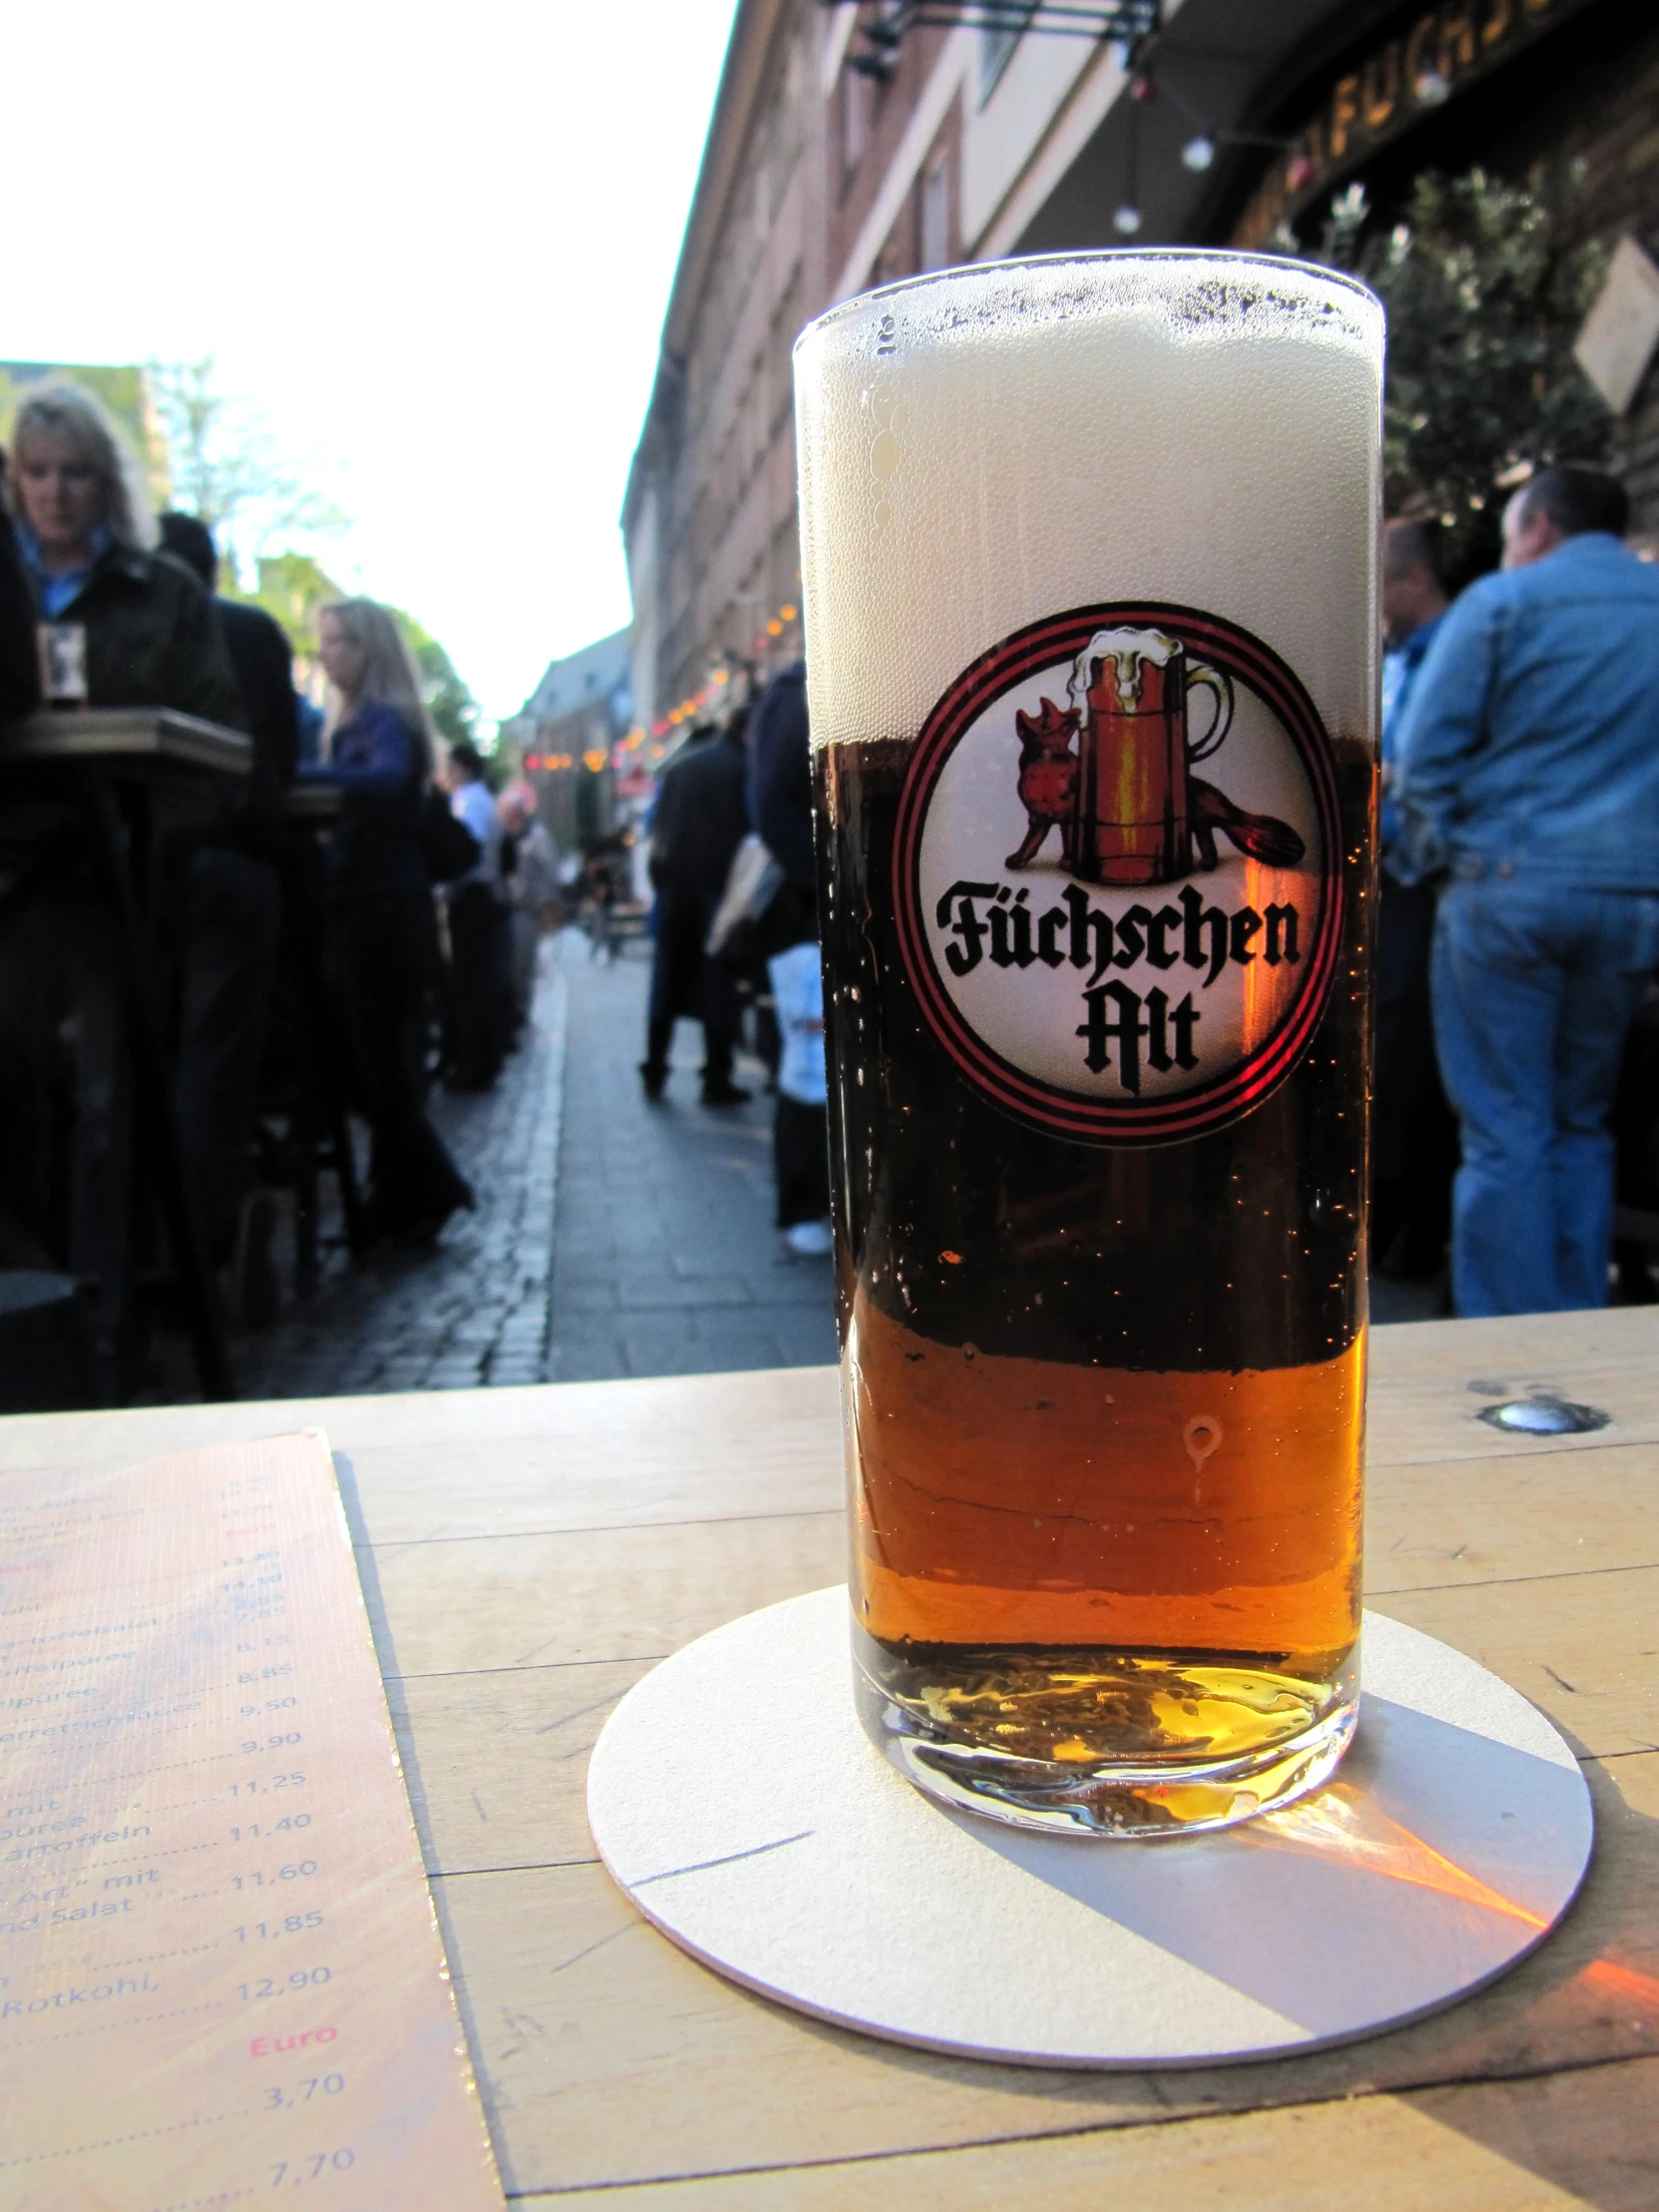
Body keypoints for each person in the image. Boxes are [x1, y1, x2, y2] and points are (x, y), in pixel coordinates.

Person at [1394, 464, 1659, 1317]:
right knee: (1582, 1123)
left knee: (1505, 1128)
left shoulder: (1502, 606)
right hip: (1628, 898)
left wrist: (1444, 862)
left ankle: (1509, 1347)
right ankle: (1578, 1328)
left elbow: (1423, 764)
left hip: (1505, 888)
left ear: (1537, 526)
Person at [154, 511, 301, 1321]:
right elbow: (272, 752)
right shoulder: (249, 631)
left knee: (150, 1059)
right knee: (212, 1063)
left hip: (150, 864)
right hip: (230, 857)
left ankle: (146, 1261)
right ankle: (198, 1254)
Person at [303, 599, 473, 1245]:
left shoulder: (382, 720)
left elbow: (383, 778)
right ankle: (407, 1196)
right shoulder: (365, 719)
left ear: (367, 649)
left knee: (372, 1063)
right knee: (376, 1063)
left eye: (336, 641)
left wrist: (301, 777)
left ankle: (428, 1190)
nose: (325, 654)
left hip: (378, 907)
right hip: (379, 904)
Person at [8, 383, 243, 722]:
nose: (55, 492)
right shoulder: (9, 588)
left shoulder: (168, 593)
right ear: (16, 482)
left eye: (75, 473)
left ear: (107, 481)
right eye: (38, 473)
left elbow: (219, 732)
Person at [1373, 519, 1458, 1283]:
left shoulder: (1457, 648)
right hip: (1411, 882)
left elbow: (1422, 770)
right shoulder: (1402, 657)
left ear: (1411, 580)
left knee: (1411, 1055)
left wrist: (1420, 863)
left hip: (1423, 884)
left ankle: (1410, 1225)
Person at [748, 661, 830, 1249]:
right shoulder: (797, 691)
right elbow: (775, 803)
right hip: (812, 909)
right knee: (811, 1061)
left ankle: (818, 1204)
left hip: (820, 901)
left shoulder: (800, 689)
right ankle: (805, 1205)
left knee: (817, 1058)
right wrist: (828, 877)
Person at [641, 713, 751, 1105]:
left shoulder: (678, 769)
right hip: (716, 889)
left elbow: (653, 829)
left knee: (666, 982)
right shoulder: (740, 767)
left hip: (674, 888)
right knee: (716, 983)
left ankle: (655, 1067)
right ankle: (716, 1077)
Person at [441, 741, 512, 1088]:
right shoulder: (482, 800)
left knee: (471, 985)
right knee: (478, 982)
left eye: (451, 769)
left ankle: (476, 1065)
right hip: (480, 897)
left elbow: (465, 851)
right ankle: (483, 1060)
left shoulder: (469, 801)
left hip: (471, 898)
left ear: (463, 769)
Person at [497, 781, 559, 1026]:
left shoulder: (537, 836)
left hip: (526, 910)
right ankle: (510, 1012)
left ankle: (520, 1011)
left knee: (522, 965)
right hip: (503, 909)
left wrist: (544, 901)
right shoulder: (504, 837)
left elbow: (549, 870)